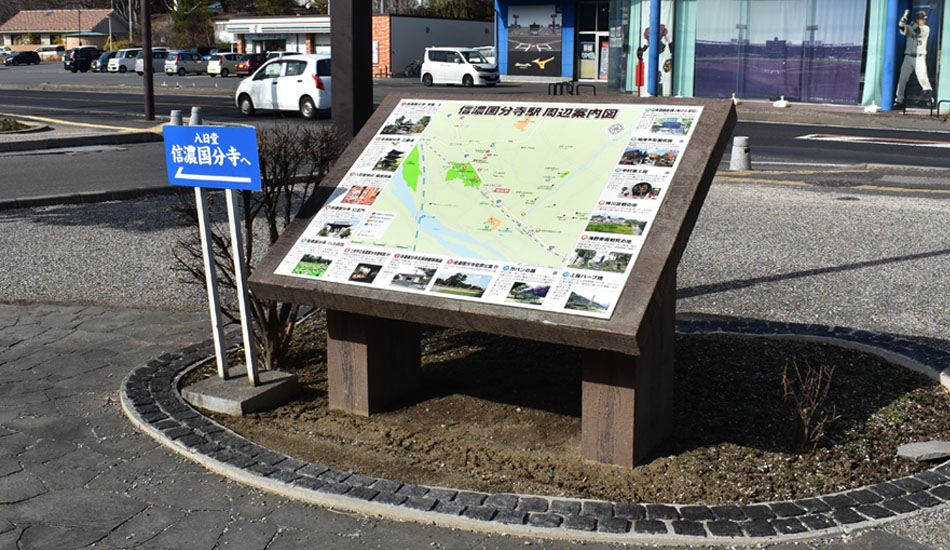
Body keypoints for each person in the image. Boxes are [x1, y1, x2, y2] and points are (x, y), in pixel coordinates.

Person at [895, 10, 933, 106]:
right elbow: (901, 26)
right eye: (922, 19)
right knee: (902, 78)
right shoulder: (909, 28)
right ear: (917, 19)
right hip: (908, 57)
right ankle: (899, 100)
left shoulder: (926, 28)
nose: (924, 21)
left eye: (924, 19)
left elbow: (918, 31)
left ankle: (929, 100)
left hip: (920, 57)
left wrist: (910, 20)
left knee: (923, 79)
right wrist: (903, 19)